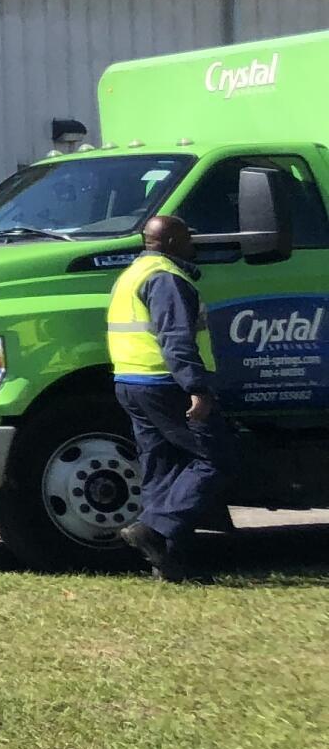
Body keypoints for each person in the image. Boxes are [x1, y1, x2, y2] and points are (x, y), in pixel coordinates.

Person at [106, 212, 229, 580]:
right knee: (216, 458)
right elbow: (175, 339)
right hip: (164, 384)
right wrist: (196, 387)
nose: (193, 244)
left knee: (161, 466)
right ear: (173, 242)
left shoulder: (130, 275)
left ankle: (167, 564)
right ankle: (155, 529)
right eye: (188, 238)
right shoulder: (166, 279)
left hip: (130, 381)